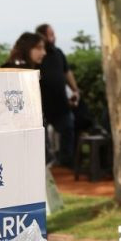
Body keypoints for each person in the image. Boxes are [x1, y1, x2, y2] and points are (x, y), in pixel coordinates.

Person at [35, 23, 81, 168]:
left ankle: (65, 161)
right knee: (41, 134)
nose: (53, 37)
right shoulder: (36, 55)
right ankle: (43, 162)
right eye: (50, 34)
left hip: (60, 102)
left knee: (68, 128)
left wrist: (75, 90)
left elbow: (67, 72)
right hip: (42, 102)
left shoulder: (58, 53)